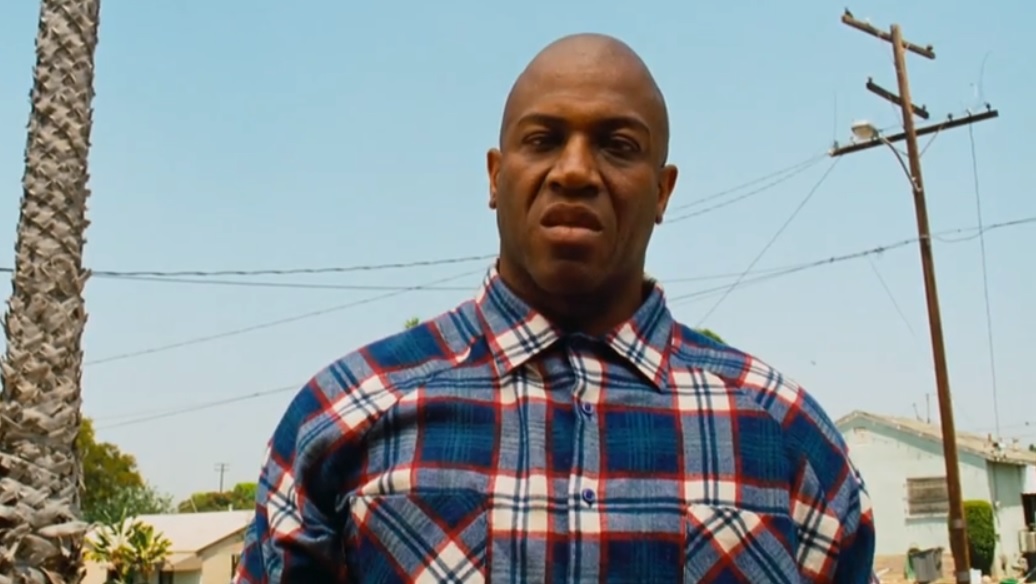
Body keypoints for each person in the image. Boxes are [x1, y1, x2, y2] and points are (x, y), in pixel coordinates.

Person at [233, 33, 877, 583]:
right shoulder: (343, 418)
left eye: (618, 145)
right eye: (542, 140)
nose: (574, 171)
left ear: (662, 190)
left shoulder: (785, 436)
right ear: (495, 176)